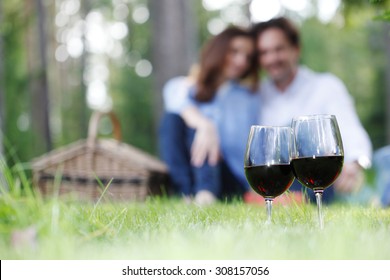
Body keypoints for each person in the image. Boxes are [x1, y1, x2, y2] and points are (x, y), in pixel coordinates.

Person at [251, 17, 373, 203]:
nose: (271, 58)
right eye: (264, 52)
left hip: (319, 183)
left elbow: (351, 132)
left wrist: (355, 164)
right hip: (272, 187)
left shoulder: (325, 86)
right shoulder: (255, 94)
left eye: (279, 49)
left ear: (296, 49)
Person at [159, 26, 260, 205]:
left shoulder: (247, 98)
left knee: (197, 128)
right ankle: (187, 194)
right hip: (192, 174)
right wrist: (205, 125)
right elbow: (173, 94)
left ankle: (206, 193)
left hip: (229, 178)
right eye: (234, 51)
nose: (241, 61)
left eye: (248, 57)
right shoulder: (189, 88)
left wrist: (207, 129)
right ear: (219, 49)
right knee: (173, 119)